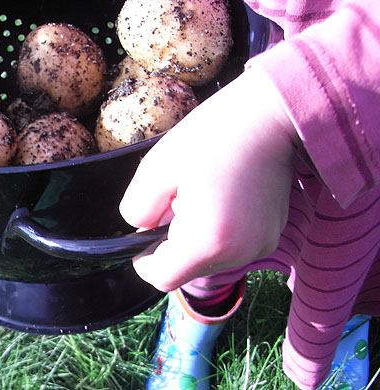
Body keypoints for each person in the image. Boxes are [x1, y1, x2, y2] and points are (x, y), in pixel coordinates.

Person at [118, 0, 380, 389]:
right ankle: (194, 316)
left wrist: (274, 108)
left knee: (347, 267)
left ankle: (343, 326)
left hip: (365, 121)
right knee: (210, 243)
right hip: (239, 69)